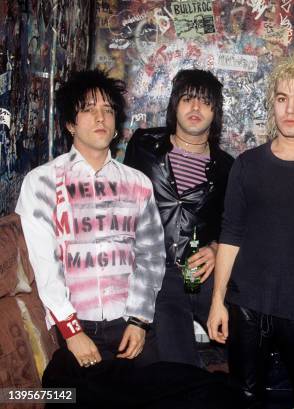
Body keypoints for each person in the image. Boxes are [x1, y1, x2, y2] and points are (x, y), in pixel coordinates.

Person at [16, 69, 165, 370]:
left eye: (108, 111)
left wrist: (139, 322)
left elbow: (151, 256)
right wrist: (72, 332)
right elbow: (45, 263)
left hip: (130, 325)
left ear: (115, 125)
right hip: (74, 326)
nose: (100, 118)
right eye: (88, 110)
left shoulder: (138, 183)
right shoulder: (43, 182)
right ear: (70, 123)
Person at [206, 49, 294, 408]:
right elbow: (231, 235)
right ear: (271, 104)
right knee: (244, 397)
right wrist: (217, 302)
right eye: (282, 98)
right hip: (247, 307)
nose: (290, 110)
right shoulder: (247, 165)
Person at [124, 69, 233, 367]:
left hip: (200, 272)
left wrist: (214, 248)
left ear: (216, 112)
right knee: (178, 360)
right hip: (157, 272)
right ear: (174, 105)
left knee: (249, 335)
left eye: (205, 102)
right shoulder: (144, 146)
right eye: (187, 99)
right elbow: (123, 203)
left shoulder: (226, 167)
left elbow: (233, 225)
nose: (195, 108)